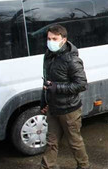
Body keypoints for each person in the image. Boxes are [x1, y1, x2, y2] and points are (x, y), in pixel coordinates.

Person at [40, 24, 90, 169]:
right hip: (53, 107)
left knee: (74, 142)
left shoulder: (72, 60)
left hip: (69, 109)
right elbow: (46, 81)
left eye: (54, 38)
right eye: (49, 38)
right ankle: (47, 166)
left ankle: (84, 166)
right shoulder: (48, 55)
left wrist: (57, 88)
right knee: (51, 141)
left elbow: (82, 84)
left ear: (64, 40)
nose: (50, 42)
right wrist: (44, 102)